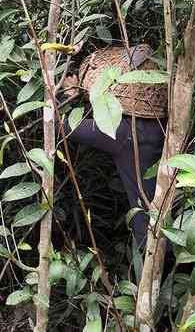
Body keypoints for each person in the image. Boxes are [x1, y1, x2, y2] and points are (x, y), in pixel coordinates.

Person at [62, 43, 167, 247]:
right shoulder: (162, 119)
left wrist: (69, 95)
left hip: (151, 241)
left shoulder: (119, 131)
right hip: (177, 225)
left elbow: (60, 128)